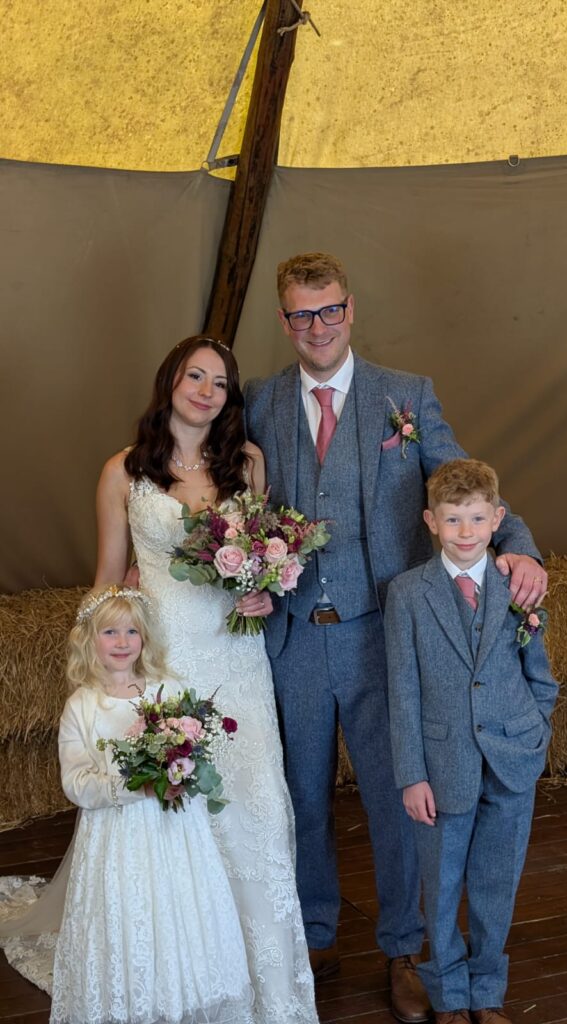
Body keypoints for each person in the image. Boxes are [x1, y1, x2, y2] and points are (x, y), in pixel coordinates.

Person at [243, 252, 548, 1024]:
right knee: (301, 799)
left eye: (330, 309)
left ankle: (404, 947)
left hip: (383, 636)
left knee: (395, 797)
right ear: (285, 320)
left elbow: (467, 485)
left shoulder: (406, 396)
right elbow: (219, 489)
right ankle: (313, 938)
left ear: (351, 309)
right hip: (292, 639)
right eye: (302, 314)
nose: (318, 326)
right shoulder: (260, 402)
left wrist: (521, 549)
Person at [94, 335, 319, 1024]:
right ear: (170, 379)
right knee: (180, 816)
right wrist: (107, 676)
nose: (205, 391)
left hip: (238, 660)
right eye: (195, 376)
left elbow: (261, 561)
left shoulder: (246, 462)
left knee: (253, 809)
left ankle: (266, 985)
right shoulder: (124, 471)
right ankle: (184, 982)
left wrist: (264, 592)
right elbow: (107, 581)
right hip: (167, 663)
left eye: (219, 383)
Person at [384, 459, 558, 1024]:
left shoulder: (518, 586)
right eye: (453, 519)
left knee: (496, 883)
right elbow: (402, 691)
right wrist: (412, 774)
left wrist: (537, 734)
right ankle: (450, 997)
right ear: (431, 521)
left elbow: (541, 676)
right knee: (441, 886)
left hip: (513, 760)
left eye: (477, 519)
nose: (465, 532)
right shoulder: (407, 594)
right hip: (442, 766)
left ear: (497, 519)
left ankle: (487, 994)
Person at [53, 585, 254, 1024]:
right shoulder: (82, 706)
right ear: (89, 639)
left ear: (145, 638)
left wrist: (184, 771)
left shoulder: (169, 689)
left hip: (174, 832)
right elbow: (76, 782)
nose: (122, 642)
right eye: (110, 632)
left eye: (132, 631)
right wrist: (136, 787)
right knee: (129, 916)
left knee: (176, 910)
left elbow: (195, 750)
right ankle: (134, 1000)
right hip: (116, 838)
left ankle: (181, 997)